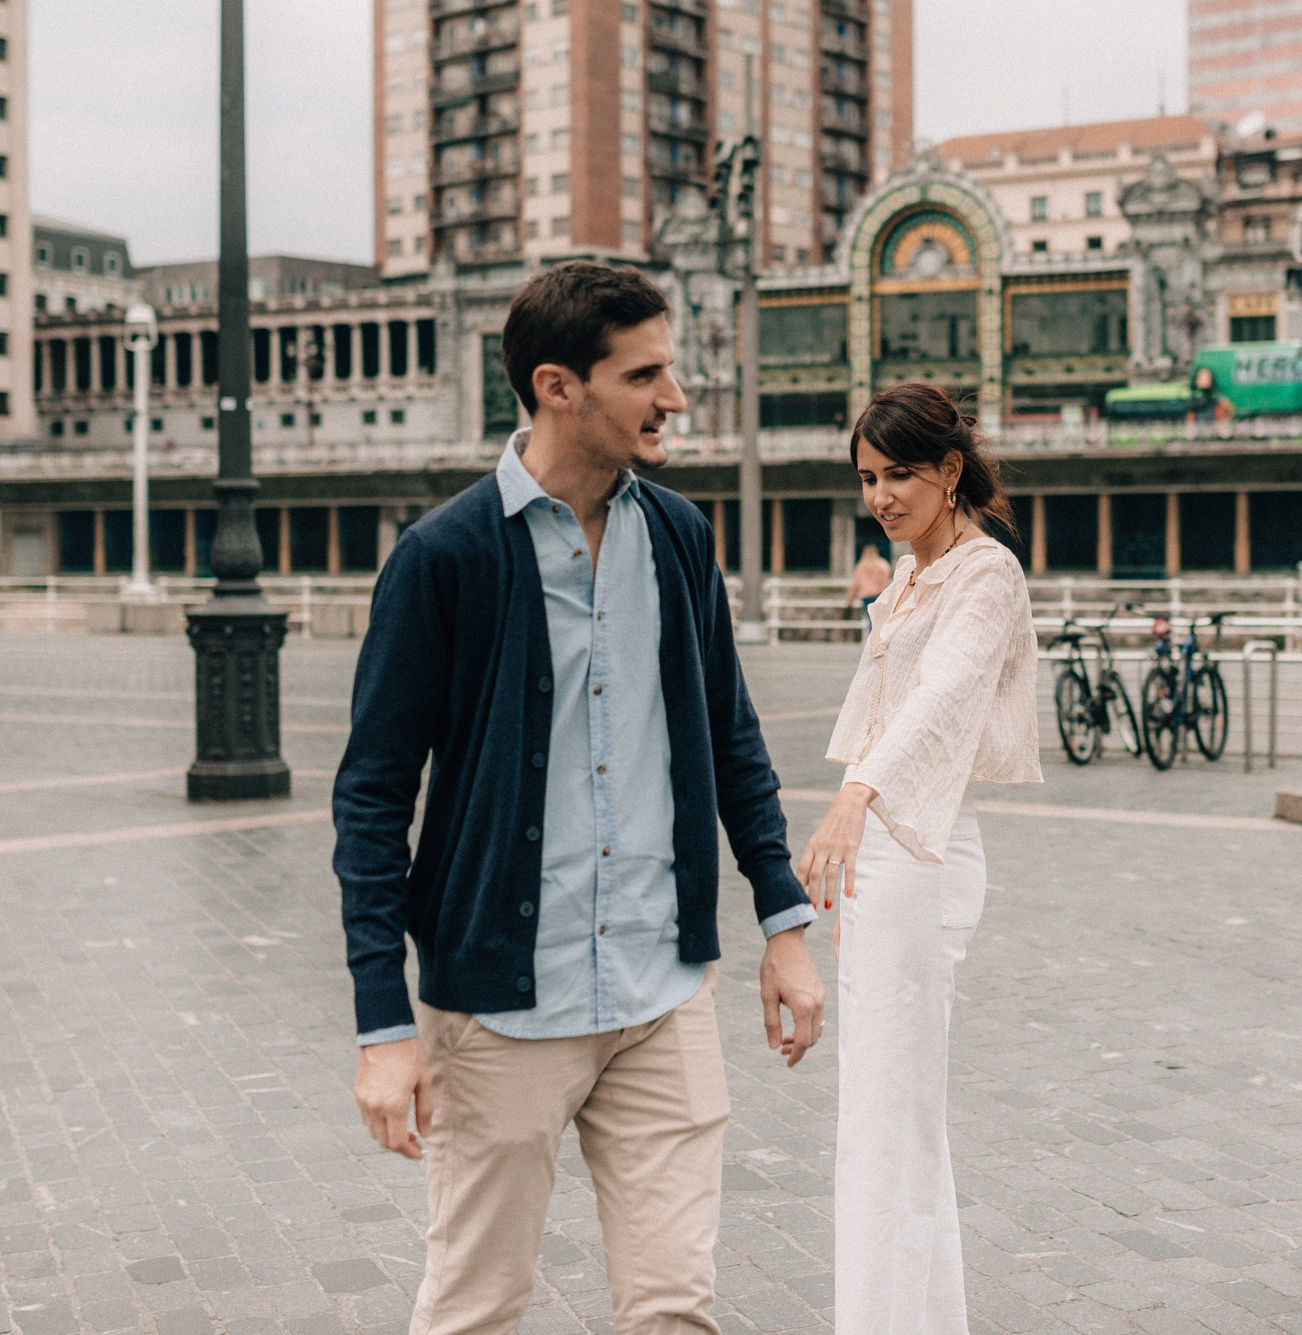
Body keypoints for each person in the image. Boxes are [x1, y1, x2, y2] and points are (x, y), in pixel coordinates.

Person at [333, 261, 825, 1335]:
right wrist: (382, 1021)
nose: (675, 397)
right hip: (504, 1009)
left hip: (661, 991)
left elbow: (729, 739)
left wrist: (783, 924)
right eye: (644, 374)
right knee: (476, 1309)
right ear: (558, 387)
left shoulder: (681, 539)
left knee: (673, 1312)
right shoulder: (444, 558)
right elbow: (371, 797)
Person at [797, 382, 1043, 1334]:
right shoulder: (903, 579)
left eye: (900, 472)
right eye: (867, 476)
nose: (881, 495)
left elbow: (945, 695)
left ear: (950, 471)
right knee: (896, 1119)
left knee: (882, 1125)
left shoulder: (986, 575)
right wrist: (856, 800)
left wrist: (856, 795)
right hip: (883, 861)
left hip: (923, 851)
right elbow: (882, 709)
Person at [843, 541, 893, 617]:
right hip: (879, 594)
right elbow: (885, 581)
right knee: (879, 618)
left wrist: (849, 600)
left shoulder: (861, 566)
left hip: (866, 596)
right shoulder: (882, 564)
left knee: (870, 618)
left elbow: (856, 585)